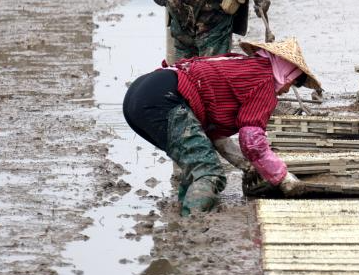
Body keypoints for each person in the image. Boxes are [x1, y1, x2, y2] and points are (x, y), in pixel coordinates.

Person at [122, 37, 321, 215]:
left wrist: (245, 165)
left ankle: (183, 215)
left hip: (140, 95)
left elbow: (214, 135)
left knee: (195, 162)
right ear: (285, 72)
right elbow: (252, 141)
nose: (288, 89)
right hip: (164, 100)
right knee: (208, 172)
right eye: (294, 82)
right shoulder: (264, 83)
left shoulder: (242, 65)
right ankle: (192, 225)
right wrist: (283, 178)